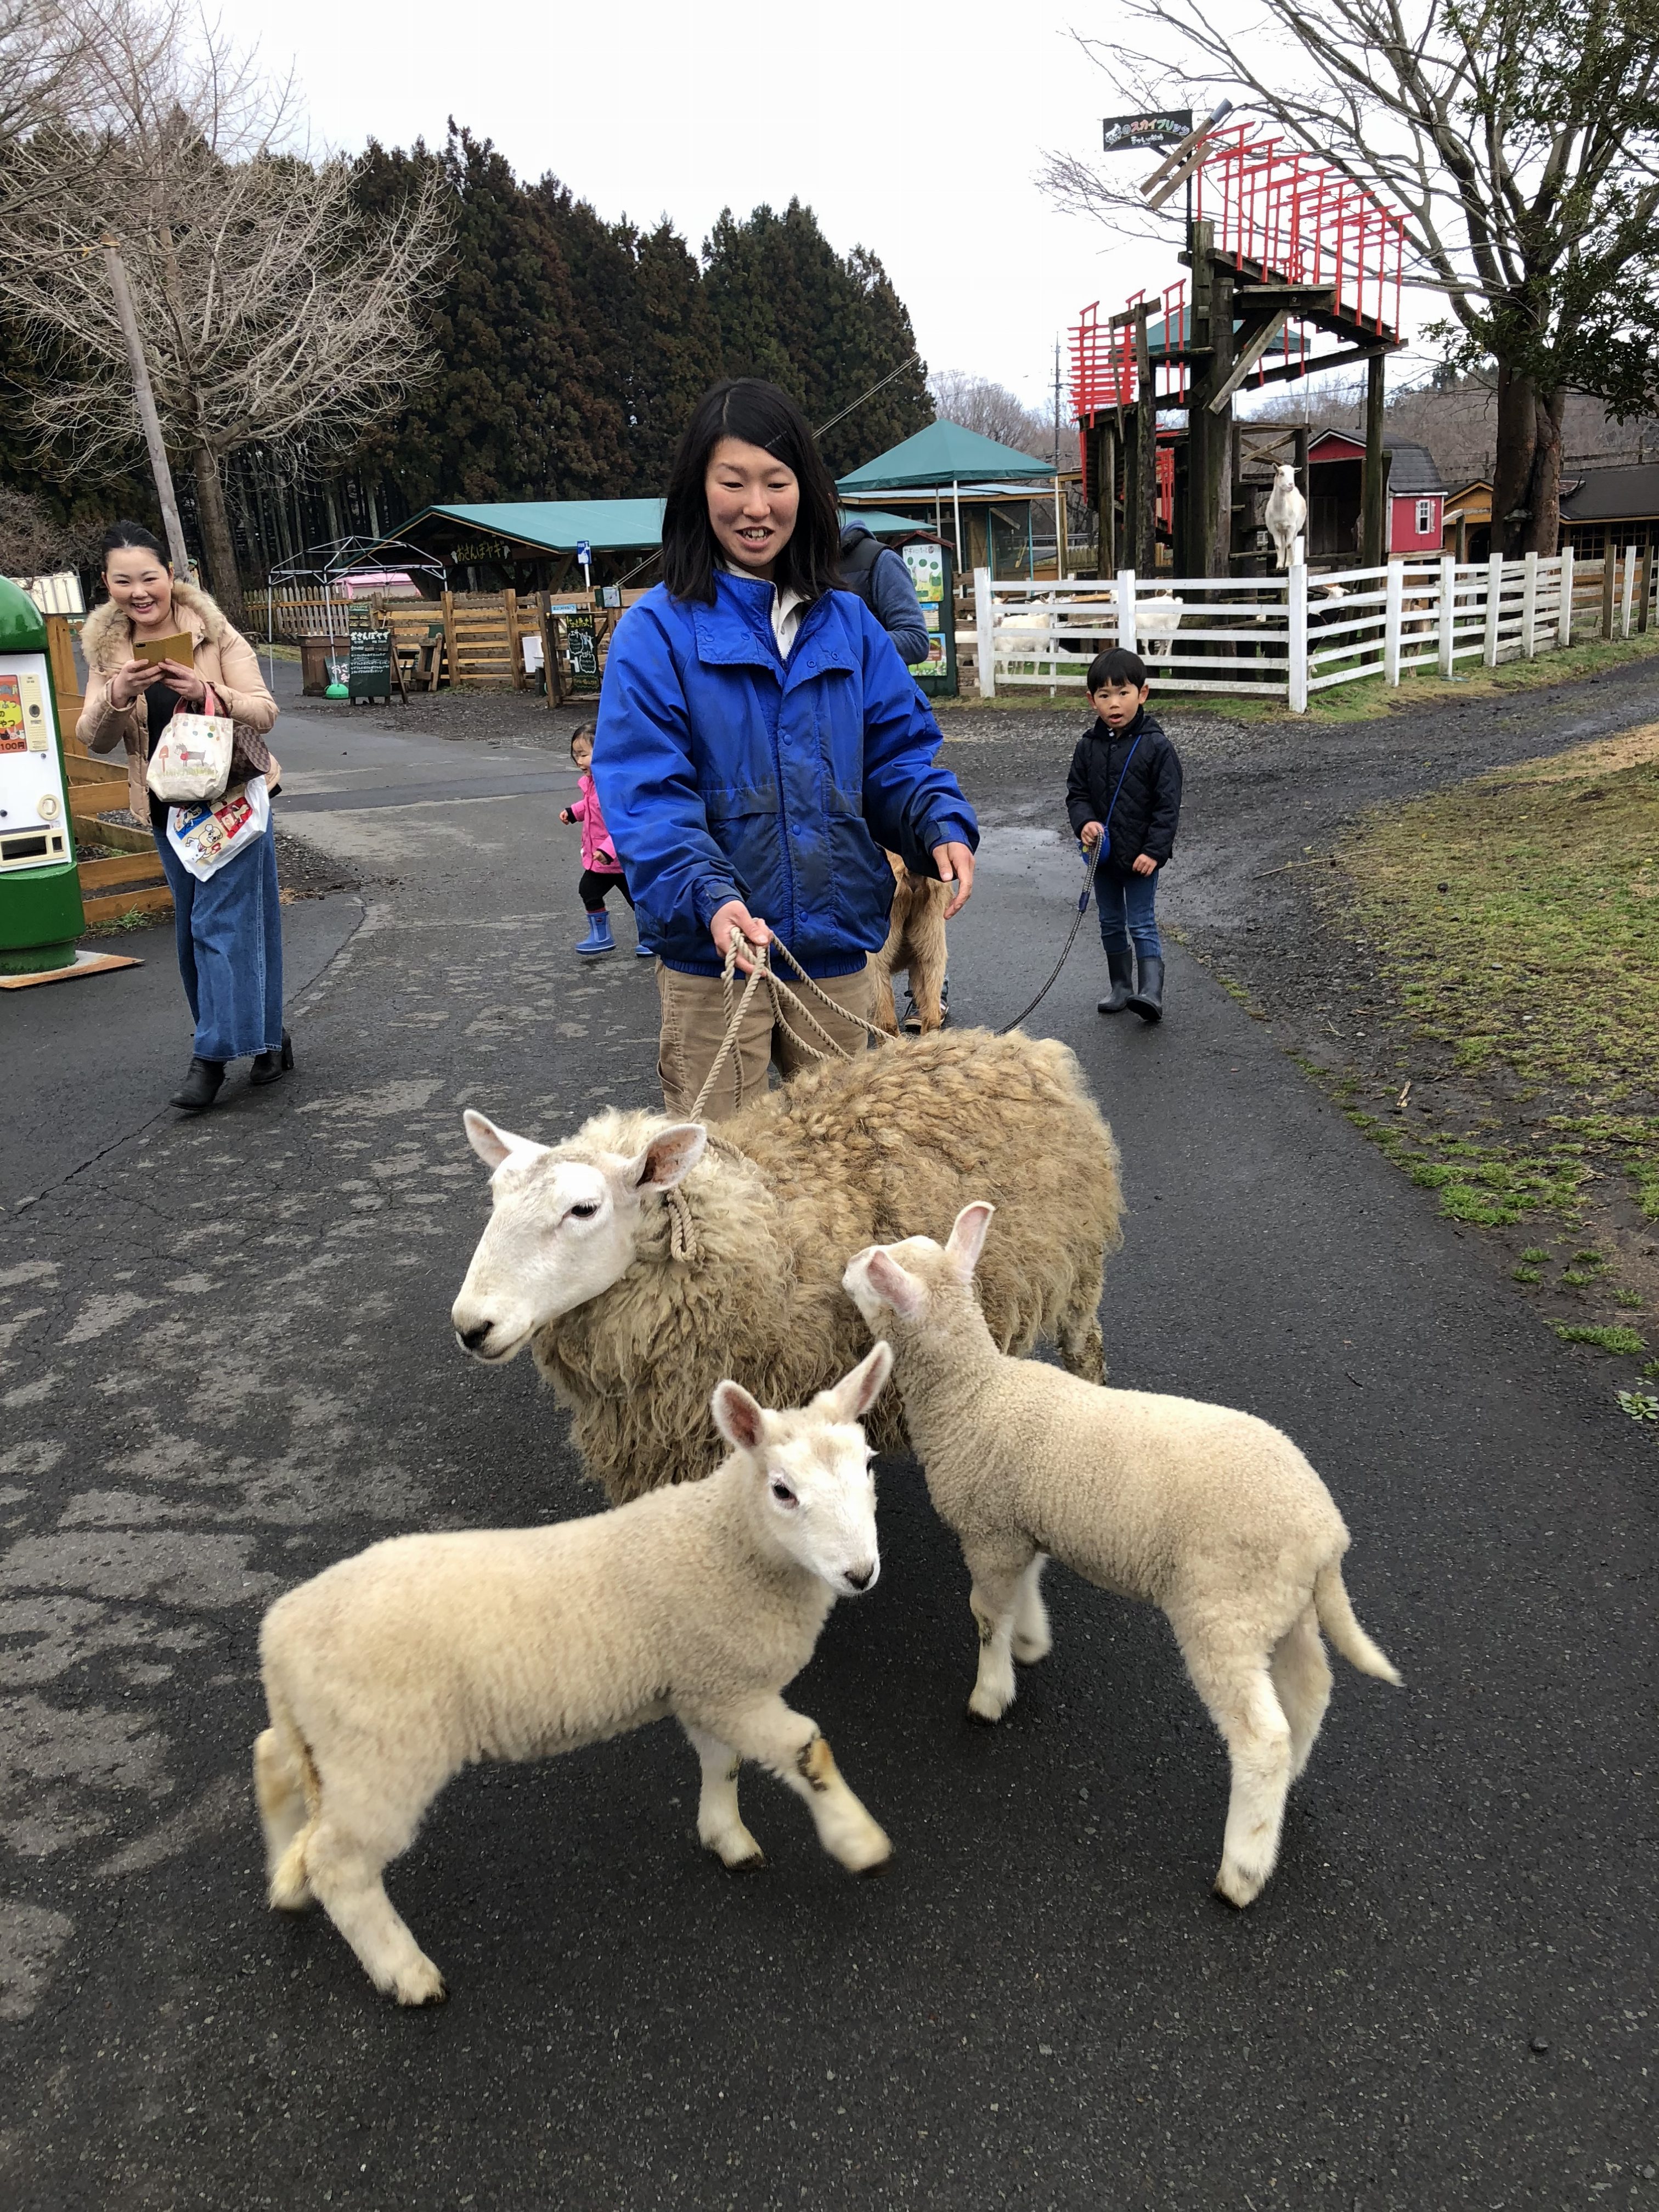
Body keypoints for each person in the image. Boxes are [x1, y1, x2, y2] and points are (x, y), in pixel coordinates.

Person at [593, 377, 977, 1121]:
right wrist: (709, 894)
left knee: (845, 1168)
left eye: (776, 481)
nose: (756, 506)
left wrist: (936, 821)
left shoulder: (852, 624)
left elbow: (897, 756)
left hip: (835, 957)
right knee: (719, 1170)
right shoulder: (656, 630)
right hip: (713, 961)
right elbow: (647, 792)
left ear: (807, 490)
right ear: (698, 489)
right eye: (732, 481)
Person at [80, 522, 287, 1110]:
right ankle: (267, 1036)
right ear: (106, 583)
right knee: (202, 928)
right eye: (123, 581)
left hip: (232, 802)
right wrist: (118, 694)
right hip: (164, 810)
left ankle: (211, 1055)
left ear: (170, 575)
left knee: (217, 925)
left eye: (149, 577)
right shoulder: (106, 650)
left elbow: (264, 712)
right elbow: (94, 737)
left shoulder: (212, 630)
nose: (139, 592)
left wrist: (206, 690)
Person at [1065, 646, 1183, 1025]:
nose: (1114, 703)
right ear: (1092, 700)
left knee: (1142, 922)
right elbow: (1077, 794)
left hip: (1141, 858)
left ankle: (1151, 991)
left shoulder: (1157, 747)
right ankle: (1120, 985)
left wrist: (1155, 851)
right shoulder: (1087, 746)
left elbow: (1168, 806)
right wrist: (1084, 822)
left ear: (1142, 694)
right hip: (1101, 856)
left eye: (1123, 693)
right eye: (1105, 695)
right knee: (1110, 921)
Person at [558, 723, 646, 956]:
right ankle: (601, 936)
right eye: (576, 755)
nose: (579, 762)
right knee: (588, 890)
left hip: (619, 858)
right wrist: (574, 812)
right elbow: (592, 806)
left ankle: (652, 936)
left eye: (584, 755)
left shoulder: (615, 786)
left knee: (637, 899)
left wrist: (608, 850)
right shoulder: (593, 783)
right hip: (601, 859)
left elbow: (623, 823)